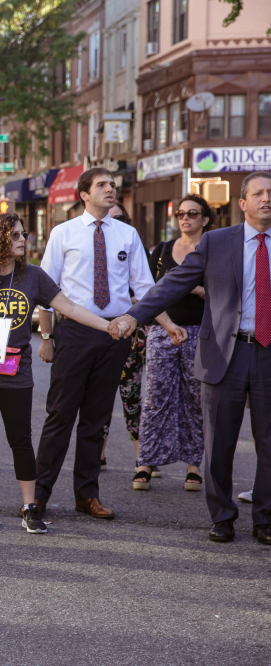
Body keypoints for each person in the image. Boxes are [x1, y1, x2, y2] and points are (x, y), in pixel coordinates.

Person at [111, 172, 271, 545]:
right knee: (219, 441)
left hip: (268, 352)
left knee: (268, 441)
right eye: (259, 193)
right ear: (242, 203)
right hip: (225, 353)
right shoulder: (217, 242)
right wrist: (133, 315)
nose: (267, 198)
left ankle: (265, 518)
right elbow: (172, 284)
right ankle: (222, 516)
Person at [0, 213, 113, 533]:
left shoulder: (33, 276)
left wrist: (108, 326)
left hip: (16, 371)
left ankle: (30, 506)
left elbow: (68, 308)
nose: (22, 240)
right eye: (15, 235)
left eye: (23, 234)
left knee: (20, 440)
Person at [35, 168, 155, 519]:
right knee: (60, 415)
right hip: (73, 332)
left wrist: (158, 321)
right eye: (103, 185)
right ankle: (39, 494)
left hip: (116, 333)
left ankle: (86, 495)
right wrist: (46, 337)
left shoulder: (128, 234)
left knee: (96, 419)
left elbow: (145, 289)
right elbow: (46, 290)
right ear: (84, 194)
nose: (111, 189)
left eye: (113, 185)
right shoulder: (64, 232)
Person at [134, 195, 210, 493]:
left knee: (196, 398)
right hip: (162, 330)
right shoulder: (163, 251)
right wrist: (164, 324)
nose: (185, 218)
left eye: (193, 213)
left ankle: (194, 465)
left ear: (205, 219)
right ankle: (146, 462)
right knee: (155, 396)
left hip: (201, 332)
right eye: (181, 213)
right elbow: (146, 291)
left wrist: (197, 288)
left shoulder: (213, 250)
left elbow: (226, 292)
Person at [98, 203, 147, 473]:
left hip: (130, 332)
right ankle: (98, 454)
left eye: (116, 218)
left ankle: (142, 458)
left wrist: (128, 301)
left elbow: (147, 289)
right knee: (99, 397)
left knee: (131, 396)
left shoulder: (131, 243)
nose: (109, 222)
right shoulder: (88, 248)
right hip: (97, 331)